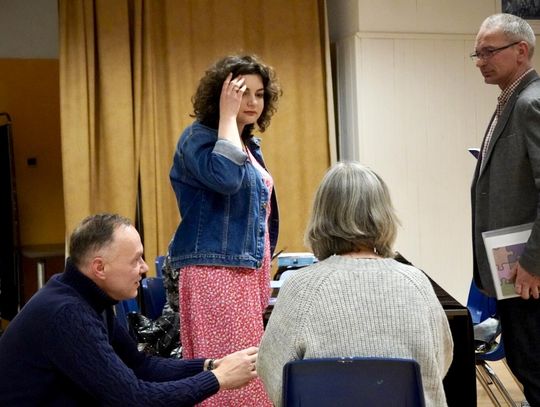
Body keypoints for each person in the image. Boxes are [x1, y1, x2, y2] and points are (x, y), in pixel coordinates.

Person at [0, 214, 259, 406]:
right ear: (99, 268)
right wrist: (218, 378)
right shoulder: (67, 314)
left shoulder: (85, 296)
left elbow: (141, 366)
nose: (144, 268)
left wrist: (210, 365)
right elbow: (134, 400)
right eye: (136, 260)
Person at [257, 161, 454, 407]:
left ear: (321, 216)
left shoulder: (300, 287)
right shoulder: (416, 282)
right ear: (383, 215)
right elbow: (440, 361)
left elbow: (274, 373)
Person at [166, 54, 281, 406]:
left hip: (246, 271)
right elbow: (227, 179)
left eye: (259, 94)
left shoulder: (248, 144)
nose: (253, 102)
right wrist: (227, 117)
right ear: (221, 95)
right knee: (231, 374)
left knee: (248, 370)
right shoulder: (198, 139)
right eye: (242, 93)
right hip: (215, 272)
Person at [471, 13, 540, 405]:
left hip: (529, 274)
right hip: (512, 271)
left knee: (534, 368)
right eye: (477, 54)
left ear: (521, 50)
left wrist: (534, 261)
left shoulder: (531, 103)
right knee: (525, 363)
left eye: (488, 52)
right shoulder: (510, 100)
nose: (480, 61)